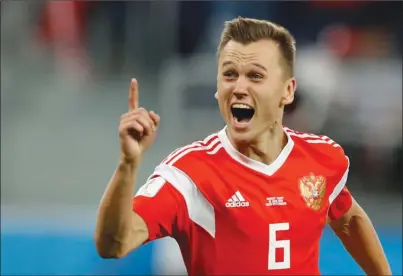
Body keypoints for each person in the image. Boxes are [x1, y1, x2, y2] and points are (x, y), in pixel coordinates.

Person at [94, 17, 391, 275]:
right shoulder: (189, 174)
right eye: (229, 74)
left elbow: (348, 218)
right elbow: (114, 244)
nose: (239, 87)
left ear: (287, 91)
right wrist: (128, 165)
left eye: (256, 76)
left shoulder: (322, 157)